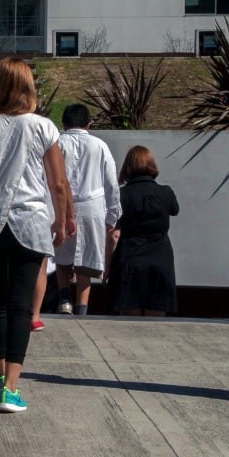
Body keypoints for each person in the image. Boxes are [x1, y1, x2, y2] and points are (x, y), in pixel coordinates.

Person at [0, 57, 73, 413]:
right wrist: (64, 218)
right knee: (22, 306)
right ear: (29, 88)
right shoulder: (44, 128)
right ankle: (11, 387)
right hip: (31, 221)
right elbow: (58, 182)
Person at [53, 103, 121, 317]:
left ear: (63, 124)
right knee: (87, 262)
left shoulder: (57, 144)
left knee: (61, 256)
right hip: (92, 207)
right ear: (88, 124)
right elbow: (111, 183)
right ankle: (82, 308)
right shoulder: (99, 145)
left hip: (63, 205)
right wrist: (113, 215)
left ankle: (64, 299)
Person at [109, 146, 179, 317]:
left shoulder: (122, 195)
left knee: (129, 320)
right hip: (160, 258)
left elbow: (114, 233)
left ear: (127, 167)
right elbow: (174, 210)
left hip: (130, 258)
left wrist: (107, 264)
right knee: (157, 319)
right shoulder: (166, 193)